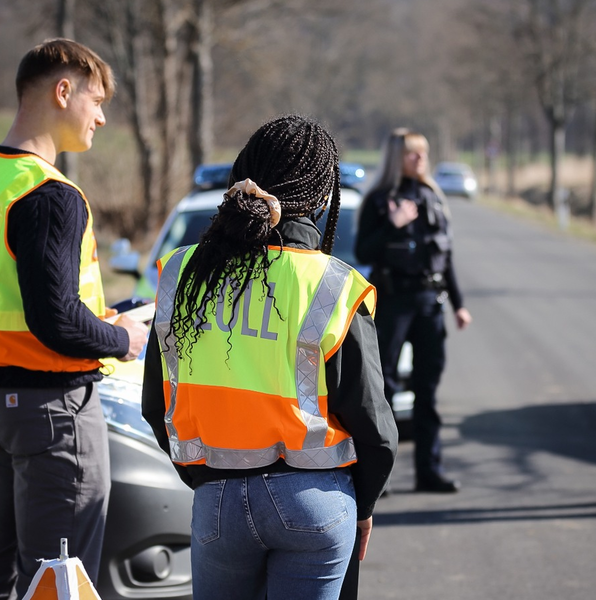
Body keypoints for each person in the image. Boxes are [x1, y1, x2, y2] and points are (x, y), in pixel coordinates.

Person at [141, 115, 397, 600]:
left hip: (216, 502)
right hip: (315, 504)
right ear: (322, 200)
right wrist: (362, 505)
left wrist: (207, 478)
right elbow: (373, 424)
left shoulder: (179, 274)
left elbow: (158, 408)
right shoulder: (333, 285)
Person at [0, 39, 149, 600]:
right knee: (59, 577)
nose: (102, 116)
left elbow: (21, 302)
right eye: (96, 100)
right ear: (63, 92)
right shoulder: (49, 194)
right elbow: (56, 323)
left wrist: (101, 318)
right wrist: (123, 337)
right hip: (51, 412)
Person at [354, 128, 471, 493]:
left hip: (429, 304)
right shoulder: (378, 199)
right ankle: (380, 476)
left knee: (428, 391)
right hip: (394, 300)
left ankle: (429, 471)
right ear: (395, 157)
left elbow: (445, 255)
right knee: (384, 388)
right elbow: (363, 251)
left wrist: (459, 304)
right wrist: (393, 225)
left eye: (422, 153)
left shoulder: (432, 196)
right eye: (411, 153)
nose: (419, 159)